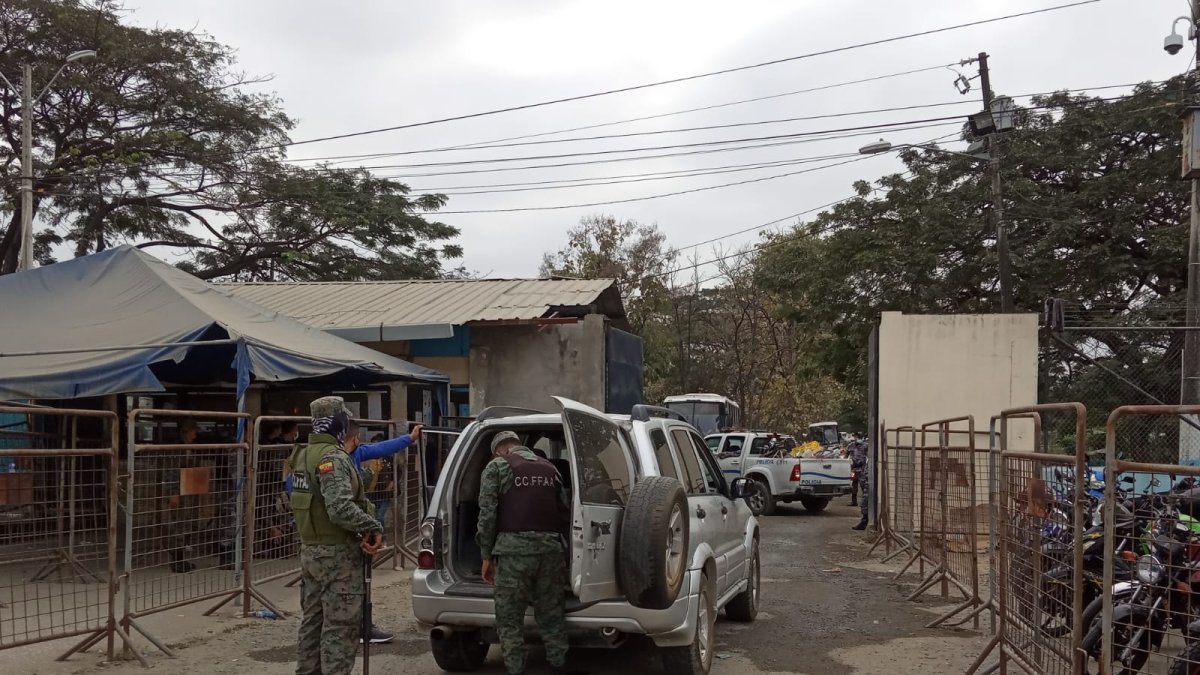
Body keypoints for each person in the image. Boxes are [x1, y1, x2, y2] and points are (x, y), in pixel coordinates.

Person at [286, 421, 423, 644]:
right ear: (354, 438)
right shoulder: (331, 459)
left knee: (347, 590)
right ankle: (352, 630)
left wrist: (410, 438)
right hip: (338, 537)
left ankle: (361, 626)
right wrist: (371, 526)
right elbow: (335, 505)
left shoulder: (322, 456)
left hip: (329, 538)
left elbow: (384, 448)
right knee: (341, 594)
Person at [289, 396, 385, 675]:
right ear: (337, 423)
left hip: (311, 552)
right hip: (337, 557)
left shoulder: (303, 455)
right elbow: (340, 508)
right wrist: (372, 526)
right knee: (340, 627)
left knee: (312, 622)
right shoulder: (333, 458)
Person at [477, 431, 570, 675]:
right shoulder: (551, 469)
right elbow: (564, 512)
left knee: (509, 620)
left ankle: (516, 668)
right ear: (518, 446)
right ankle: (558, 665)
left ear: (499, 451)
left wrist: (486, 556)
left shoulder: (497, 467)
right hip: (550, 552)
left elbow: (487, 516)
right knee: (552, 615)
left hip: (512, 554)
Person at [847, 431, 870, 530]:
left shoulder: (866, 446)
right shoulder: (851, 445)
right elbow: (846, 454)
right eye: (857, 436)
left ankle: (865, 519)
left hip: (863, 470)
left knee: (864, 489)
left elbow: (869, 456)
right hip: (854, 469)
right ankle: (854, 501)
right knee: (854, 485)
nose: (858, 438)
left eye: (860, 436)